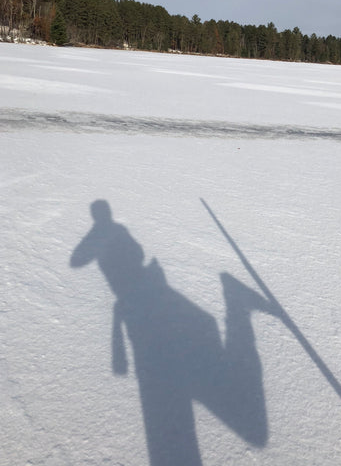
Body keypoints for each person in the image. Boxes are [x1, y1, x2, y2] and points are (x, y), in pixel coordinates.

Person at [71, 200, 268, 466]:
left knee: (237, 417)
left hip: (153, 320)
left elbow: (82, 260)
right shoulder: (113, 231)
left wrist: (99, 238)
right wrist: (98, 236)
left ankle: (236, 304)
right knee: (223, 410)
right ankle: (235, 303)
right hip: (153, 315)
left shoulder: (114, 231)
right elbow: (84, 260)